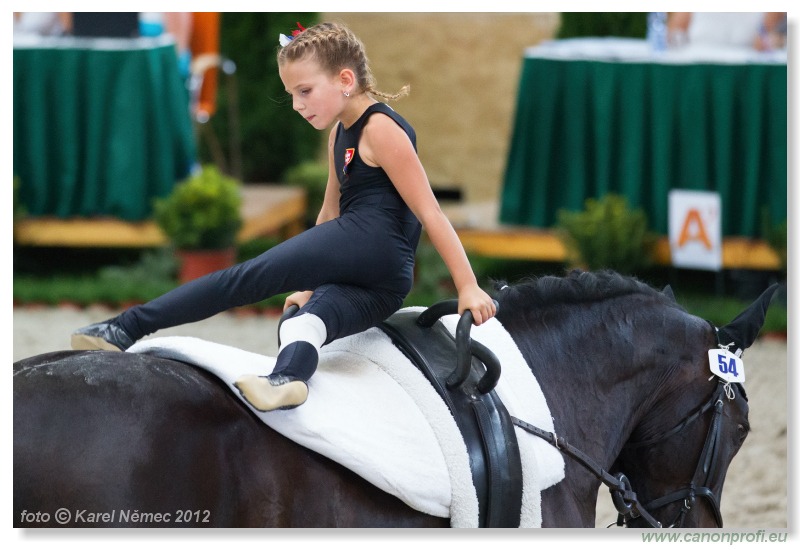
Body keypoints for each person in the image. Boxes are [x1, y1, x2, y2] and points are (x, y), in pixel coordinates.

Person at [72, 21, 497, 412]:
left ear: (345, 80)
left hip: (373, 244)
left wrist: (467, 286)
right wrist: (308, 285)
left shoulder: (380, 130)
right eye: (292, 94)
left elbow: (430, 211)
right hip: (382, 284)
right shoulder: (340, 133)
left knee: (246, 278)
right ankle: (288, 378)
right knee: (303, 322)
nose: (296, 104)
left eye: (305, 91)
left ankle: (124, 329)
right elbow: (329, 210)